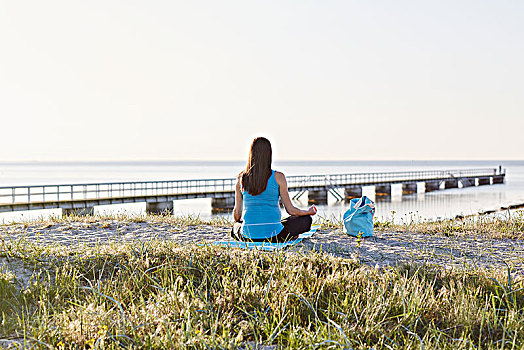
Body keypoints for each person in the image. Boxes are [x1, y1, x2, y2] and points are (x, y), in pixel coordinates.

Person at [231, 137, 317, 242]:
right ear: (269, 155)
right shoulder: (279, 177)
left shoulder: (241, 178)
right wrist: (307, 212)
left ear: (251, 154)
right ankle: (287, 234)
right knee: (306, 220)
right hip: (275, 236)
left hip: (248, 236)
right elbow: (291, 210)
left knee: (236, 227)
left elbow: (237, 215)